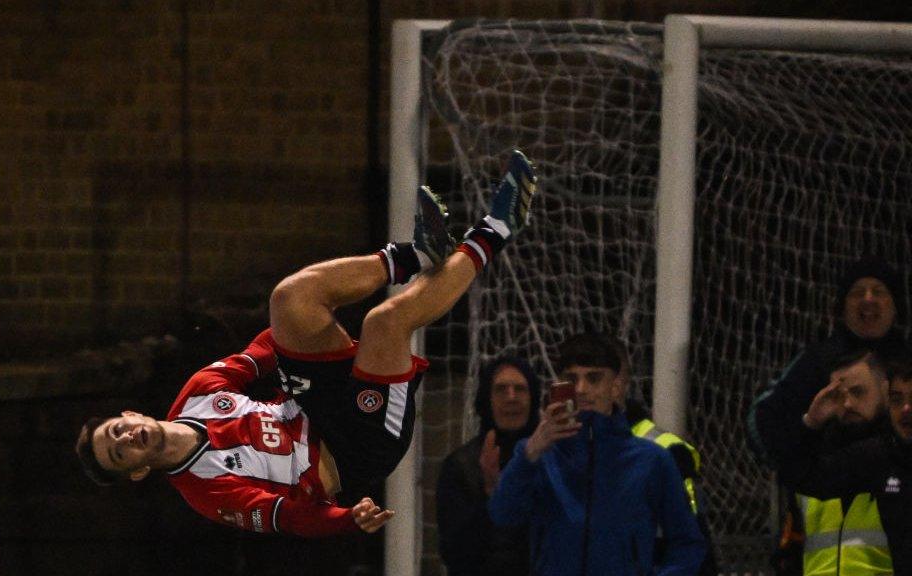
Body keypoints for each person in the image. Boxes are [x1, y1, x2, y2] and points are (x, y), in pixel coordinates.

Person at [74, 150, 537, 537]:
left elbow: (265, 350)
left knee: (288, 298)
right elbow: (286, 517)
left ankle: (415, 255)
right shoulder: (205, 490)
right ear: (137, 471)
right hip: (356, 447)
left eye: (118, 430)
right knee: (385, 322)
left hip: (313, 401)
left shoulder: (198, 393)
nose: (128, 439)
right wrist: (346, 519)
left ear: (130, 415)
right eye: (121, 453)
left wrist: (309, 324)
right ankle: (497, 227)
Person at [488, 332, 706, 576]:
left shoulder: (651, 460)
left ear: (615, 387)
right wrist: (529, 454)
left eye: (593, 378)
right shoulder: (540, 454)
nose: (581, 389)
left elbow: (688, 543)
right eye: (571, 379)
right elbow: (502, 514)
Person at [747, 256, 906, 575]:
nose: (868, 299)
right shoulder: (814, 362)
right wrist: (809, 425)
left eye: (879, 291)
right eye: (857, 291)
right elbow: (763, 426)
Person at [777, 351, 912, 575]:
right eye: (837, 396)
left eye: (858, 392)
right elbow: (800, 477)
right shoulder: (858, 459)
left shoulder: (887, 456)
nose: (847, 403)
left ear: (882, 393)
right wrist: (811, 423)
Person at [598, 333, 720, 576]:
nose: (587, 390)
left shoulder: (665, 450)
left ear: (621, 382)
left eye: (597, 378)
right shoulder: (559, 449)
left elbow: (692, 540)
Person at [435, 355, 542, 576]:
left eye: (520, 389)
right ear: (486, 400)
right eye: (501, 389)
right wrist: (488, 495)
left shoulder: (549, 459)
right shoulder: (461, 466)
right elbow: (454, 551)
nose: (511, 397)